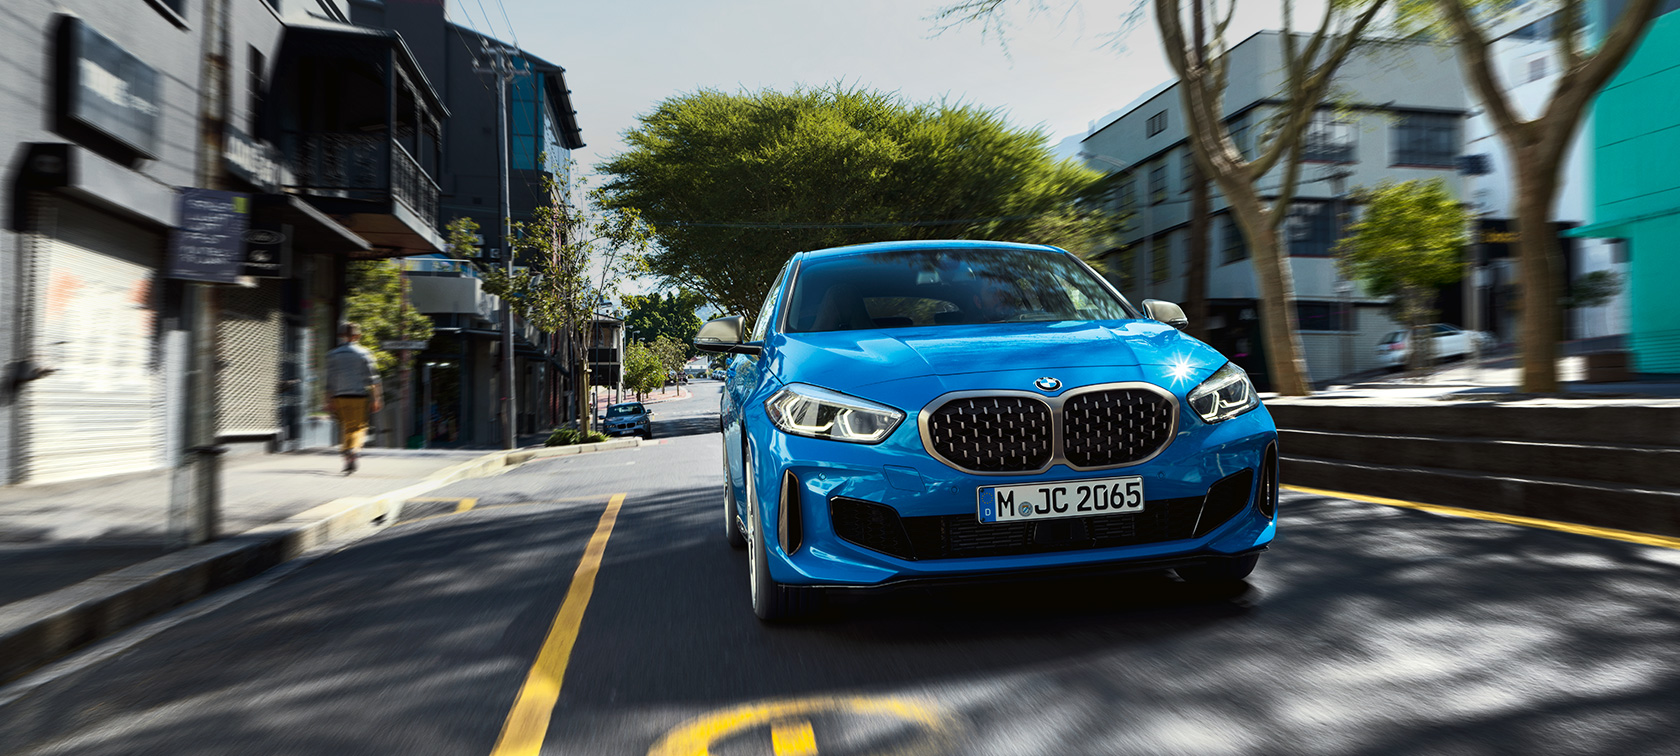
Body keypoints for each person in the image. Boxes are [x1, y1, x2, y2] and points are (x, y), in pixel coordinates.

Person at [326, 322, 382, 474]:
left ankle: (346, 457)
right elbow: (374, 379)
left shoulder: (333, 355)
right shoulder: (364, 353)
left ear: (342, 336)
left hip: (339, 396)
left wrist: (328, 400)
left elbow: (329, 380)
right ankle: (353, 451)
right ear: (357, 336)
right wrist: (376, 398)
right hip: (358, 396)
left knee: (346, 427)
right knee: (358, 427)